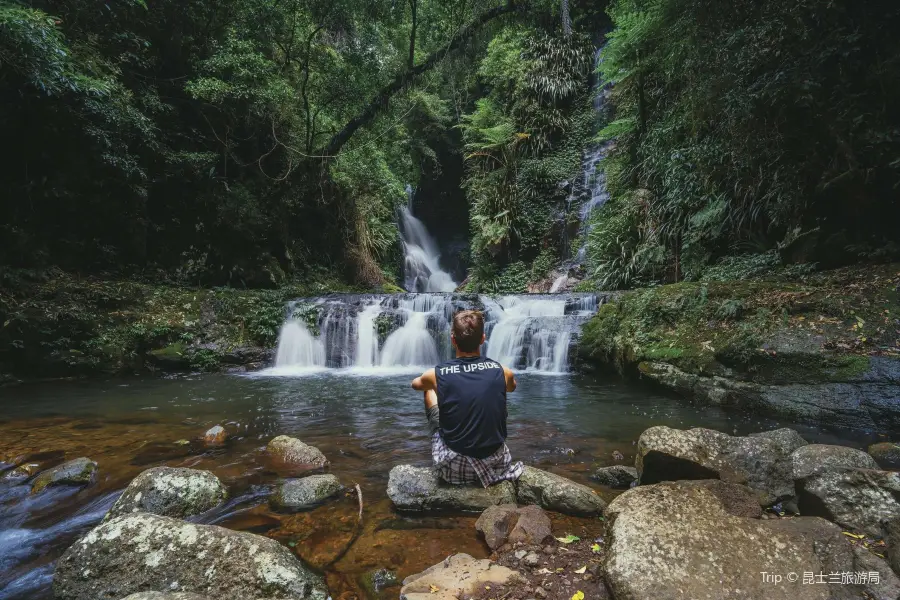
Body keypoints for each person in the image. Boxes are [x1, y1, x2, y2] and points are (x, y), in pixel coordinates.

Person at [411, 310, 524, 488]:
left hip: (454, 467)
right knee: (497, 392)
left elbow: (415, 384)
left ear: (453, 339)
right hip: (496, 463)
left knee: (429, 390)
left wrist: (443, 384)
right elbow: (512, 387)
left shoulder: (437, 373)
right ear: (483, 339)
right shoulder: (502, 371)